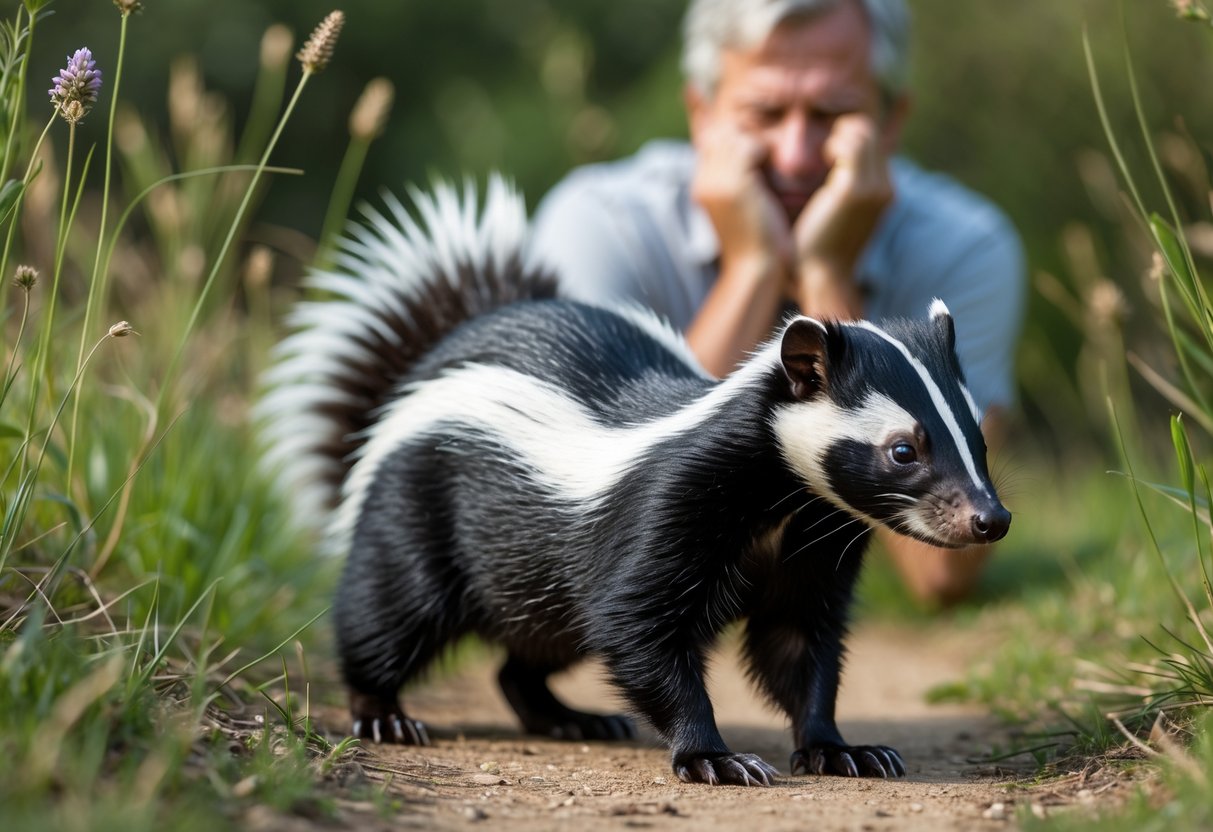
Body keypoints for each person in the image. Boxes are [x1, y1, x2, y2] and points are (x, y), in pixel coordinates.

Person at [527, 0, 1025, 607]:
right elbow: (593, 528)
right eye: (764, 112)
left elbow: (944, 575)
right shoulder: (597, 225)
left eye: (831, 114)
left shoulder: (967, 248)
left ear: (892, 120)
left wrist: (825, 274)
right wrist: (753, 268)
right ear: (702, 114)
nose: (794, 153)